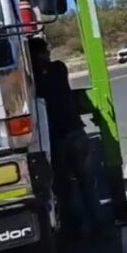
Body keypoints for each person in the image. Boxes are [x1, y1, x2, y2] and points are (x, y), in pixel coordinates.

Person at [29, 37, 109, 239]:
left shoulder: (32, 78)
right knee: (86, 182)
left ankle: (74, 227)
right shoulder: (59, 68)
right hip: (74, 130)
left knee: (62, 185)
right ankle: (98, 224)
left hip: (55, 137)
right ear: (43, 53)